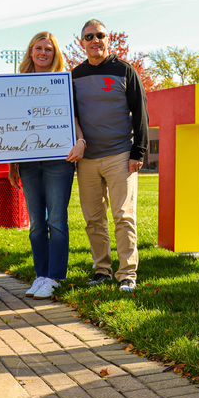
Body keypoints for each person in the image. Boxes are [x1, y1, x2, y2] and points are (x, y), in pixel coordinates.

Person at [71, 19, 149, 292]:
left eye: (100, 35)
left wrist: (138, 152)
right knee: (93, 219)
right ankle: (102, 270)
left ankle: (127, 274)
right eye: (89, 36)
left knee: (123, 216)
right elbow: (71, 116)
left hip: (120, 155)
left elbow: (141, 113)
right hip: (88, 160)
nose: (95, 40)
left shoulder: (124, 71)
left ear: (108, 39)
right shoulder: (74, 76)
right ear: (82, 42)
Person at [8, 33, 86, 300]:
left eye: (48, 49)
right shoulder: (17, 84)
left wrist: (81, 141)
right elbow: (13, 123)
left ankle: (55, 277)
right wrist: (12, 164)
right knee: (36, 223)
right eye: (38, 48)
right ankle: (41, 274)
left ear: (55, 54)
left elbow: (72, 116)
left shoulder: (63, 83)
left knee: (56, 220)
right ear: (30, 52)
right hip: (29, 162)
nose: (43, 53)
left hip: (58, 160)